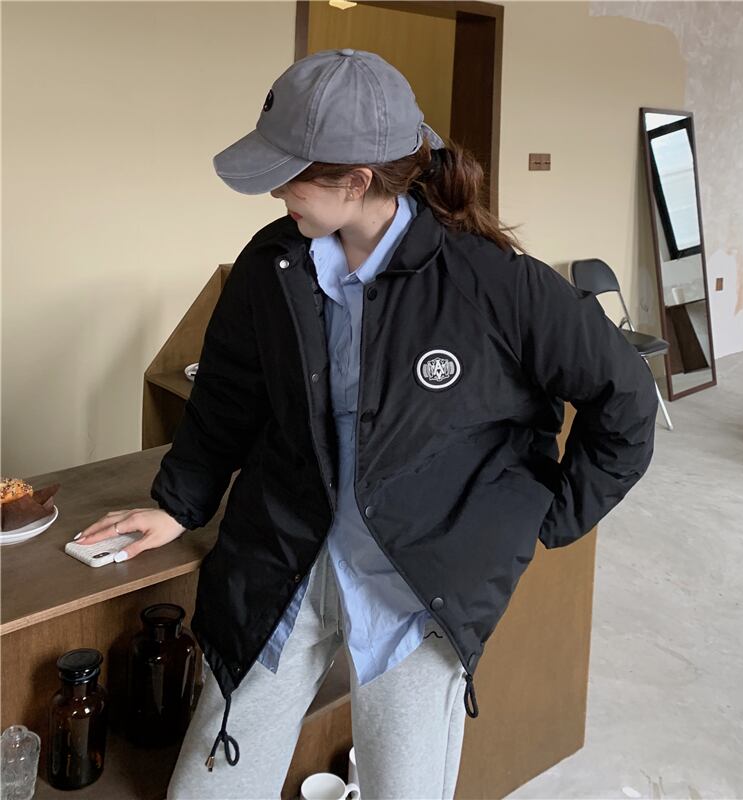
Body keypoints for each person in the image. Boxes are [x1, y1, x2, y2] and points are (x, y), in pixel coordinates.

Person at [75, 48, 659, 800]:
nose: (275, 191)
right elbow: (226, 394)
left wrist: (546, 517)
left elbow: (626, 398)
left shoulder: (492, 282)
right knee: (207, 787)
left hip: (417, 589)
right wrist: (177, 505)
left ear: (355, 181)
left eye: (291, 174)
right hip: (284, 557)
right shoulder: (272, 263)